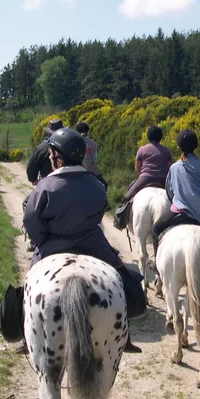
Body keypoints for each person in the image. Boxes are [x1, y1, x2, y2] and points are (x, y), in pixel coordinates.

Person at [23, 127, 144, 353]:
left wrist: (43, 240)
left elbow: (31, 220)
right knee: (123, 277)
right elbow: (99, 214)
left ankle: (24, 334)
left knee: (29, 284)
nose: (50, 158)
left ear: (59, 157)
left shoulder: (44, 187)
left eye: (51, 154)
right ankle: (124, 334)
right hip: (94, 245)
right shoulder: (96, 184)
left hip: (52, 246)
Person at [152, 129, 200, 254]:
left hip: (180, 211)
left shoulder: (174, 167)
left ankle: (156, 265)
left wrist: (176, 201)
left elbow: (169, 191)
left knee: (155, 230)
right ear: (195, 146)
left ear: (179, 147)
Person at [122, 125, 173, 203]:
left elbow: (137, 169)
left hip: (145, 178)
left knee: (127, 197)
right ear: (160, 137)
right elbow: (170, 169)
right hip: (163, 179)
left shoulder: (142, 149)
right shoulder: (166, 151)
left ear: (148, 137)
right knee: (177, 199)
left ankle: (119, 213)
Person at [74, 121, 109, 192]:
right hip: (91, 171)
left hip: (77, 170)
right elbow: (94, 159)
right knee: (104, 185)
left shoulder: (74, 143)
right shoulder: (93, 143)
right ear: (87, 131)